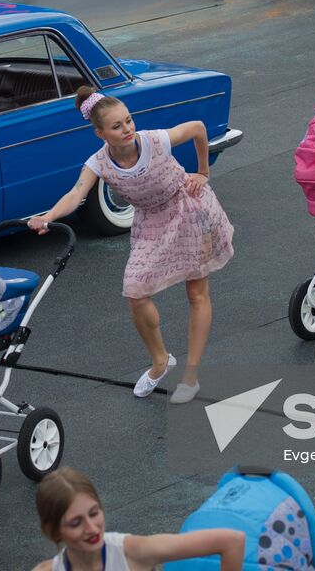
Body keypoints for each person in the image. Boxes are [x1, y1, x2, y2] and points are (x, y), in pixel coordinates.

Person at [29, 89, 233, 404]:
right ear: (100, 133)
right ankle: (161, 360)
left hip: (188, 209)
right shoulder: (98, 163)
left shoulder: (154, 140)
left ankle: (190, 377)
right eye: (116, 126)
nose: (127, 129)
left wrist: (203, 172)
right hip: (151, 222)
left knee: (196, 293)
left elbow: (197, 128)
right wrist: (48, 216)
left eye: (128, 120)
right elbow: (76, 194)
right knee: (135, 293)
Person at [32, 468, 246, 571]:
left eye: (94, 513)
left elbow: (232, 541)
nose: (91, 528)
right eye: (76, 523)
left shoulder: (133, 552)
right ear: (53, 531)